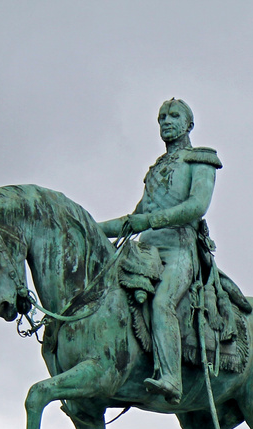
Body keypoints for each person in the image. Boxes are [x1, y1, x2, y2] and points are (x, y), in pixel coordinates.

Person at [100, 98, 220, 401]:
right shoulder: (156, 169)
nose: (166, 121)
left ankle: (171, 377)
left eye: (174, 116)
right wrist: (92, 227)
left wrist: (151, 220)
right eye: (162, 117)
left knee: (162, 303)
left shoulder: (200, 160)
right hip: (146, 252)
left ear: (188, 124)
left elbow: (197, 206)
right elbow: (135, 218)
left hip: (180, 250)